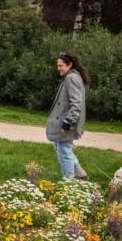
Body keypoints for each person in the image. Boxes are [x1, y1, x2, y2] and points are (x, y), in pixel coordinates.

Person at [45, 51, 89, 180]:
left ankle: (69, 180)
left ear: (69, 65)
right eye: (57, 65)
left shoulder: (72, 78)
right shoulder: (71, 76)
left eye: (60, 66)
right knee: (59, 146)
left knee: (63, 151)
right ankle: (78, 171)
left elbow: (76, 104)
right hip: (64, 122)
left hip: (68, 123)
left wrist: (67, 122)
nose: (58, 68)